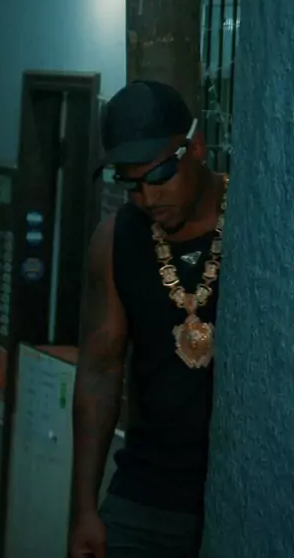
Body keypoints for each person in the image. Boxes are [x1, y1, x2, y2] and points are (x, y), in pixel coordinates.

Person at [69, 80, 227, 558]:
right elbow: (100, 370)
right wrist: (84, 509)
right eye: (130, 183)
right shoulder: (115, 241)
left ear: (195, 148)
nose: (148, 198)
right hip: (148, 492)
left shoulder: (255, 223)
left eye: (159, 175)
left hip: (241, 491)